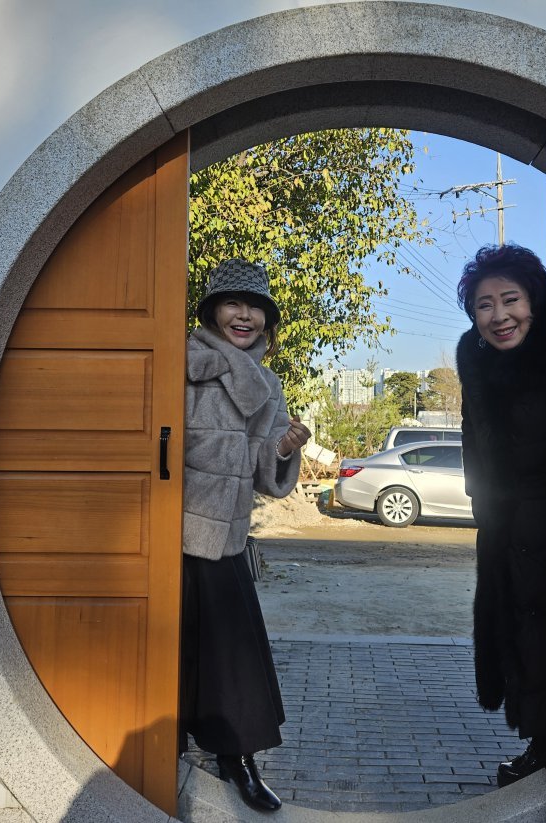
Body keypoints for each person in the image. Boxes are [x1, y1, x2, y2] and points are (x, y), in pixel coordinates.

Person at [179, 258, 312, 813]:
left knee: (233, 661)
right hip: (166, 530)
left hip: (225, 537)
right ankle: (164, 750)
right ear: (211, 310)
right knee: (167, 652)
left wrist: (283, 448)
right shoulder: (178, 360)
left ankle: (239, 760)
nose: (244, 315)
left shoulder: (268, 382)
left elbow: (265, 474)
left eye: (255, 306)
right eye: (233, 302)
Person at [454, 244, 546, 787]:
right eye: (483, 305)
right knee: (519, 634)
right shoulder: (474, 358)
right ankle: (543, 743)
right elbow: (475, 437)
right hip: (502, 524)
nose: (499, 316)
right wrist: (483, 506)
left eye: (510, 299)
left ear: (536, 300)